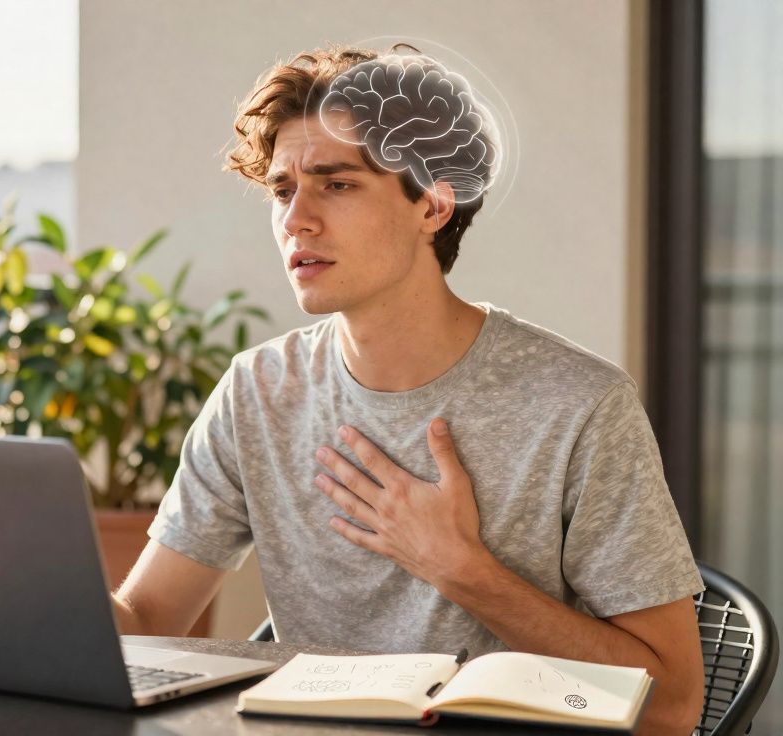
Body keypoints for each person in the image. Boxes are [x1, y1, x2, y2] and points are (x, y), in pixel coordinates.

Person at [109, 45, 704, 734]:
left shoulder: (579, 405)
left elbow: (673, 706)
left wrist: (464, 571)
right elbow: (149, 620)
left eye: (336, 184)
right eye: (281, 190)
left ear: (432, 203)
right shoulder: (257, 393)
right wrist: (15, 588)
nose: (295, 219)